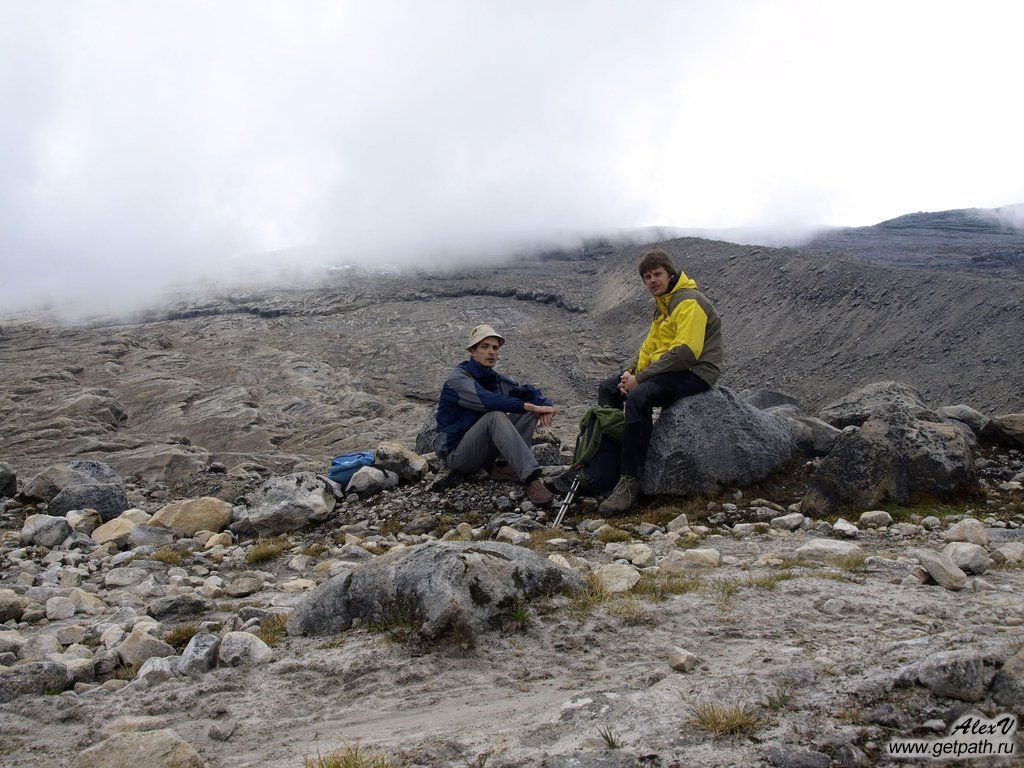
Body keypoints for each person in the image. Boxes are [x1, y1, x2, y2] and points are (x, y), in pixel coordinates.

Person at [597, 248, 724, 515]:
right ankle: (607, 469)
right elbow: (650, 346)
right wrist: (629, 372)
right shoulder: (663, 306)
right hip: (672, 369)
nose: (653, 280)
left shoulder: (688, 302)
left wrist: (640, 380)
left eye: (657, 274)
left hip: (696, 372)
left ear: (670, 274)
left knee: (639, 397)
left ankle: (631, 480)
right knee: (609, 388)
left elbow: (685, 353)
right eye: (647, 276)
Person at [435, 324, 557, 505]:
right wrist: (532, 407)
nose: (491, 352)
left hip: (484, 452)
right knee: (497, 415)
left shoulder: (495, 380)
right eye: (484, 347)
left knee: (528, 412)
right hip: (458, 454)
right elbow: (488, 401)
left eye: (495, 347)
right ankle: (531, 478)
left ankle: (504, 466)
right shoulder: (458, 380)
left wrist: (547, 406)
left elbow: (528, 393)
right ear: (473, 351)